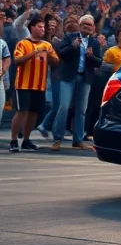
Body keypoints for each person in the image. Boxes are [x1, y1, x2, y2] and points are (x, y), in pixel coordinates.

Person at [52, 14, 104, 150]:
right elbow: (61, 54)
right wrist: (73, 46)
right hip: (69, 76)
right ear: (80, 26)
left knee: (81, 110)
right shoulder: (70, 38)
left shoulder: (94, 43)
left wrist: (91, 56)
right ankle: (57, 139)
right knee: (63, 107)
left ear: (93, 28)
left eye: (89, 25)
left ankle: (78, 140)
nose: (87, 27)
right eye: (84, 24)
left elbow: (100, 62)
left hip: (85, 78)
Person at [10, 16, 59, 152]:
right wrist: (33, 53)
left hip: (39, 85)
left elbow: (56, 63)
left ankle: (26, 140)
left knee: (33, 114)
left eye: (44, 27)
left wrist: (48, 55)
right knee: (21, 112)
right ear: (32, 28)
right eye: (40, 27)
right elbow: (17, 61)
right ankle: (14, 140)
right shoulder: (23, 43)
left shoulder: (47, 45)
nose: (43, 29)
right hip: (23, 84)